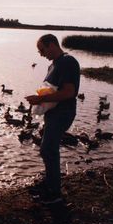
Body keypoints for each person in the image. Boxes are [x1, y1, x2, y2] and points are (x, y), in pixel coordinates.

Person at [25, 34, 80, 204]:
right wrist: (39, 98)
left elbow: (69, 92)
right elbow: (52, 90)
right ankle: (49, 183)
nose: (41, 54)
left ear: (52, 45)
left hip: (63, 112)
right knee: (46, 149)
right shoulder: (54, 65)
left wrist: (40, 99)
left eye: (42, 49)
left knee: (49, 149)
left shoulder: (67, 62)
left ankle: (54, 193)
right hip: (53, 113)